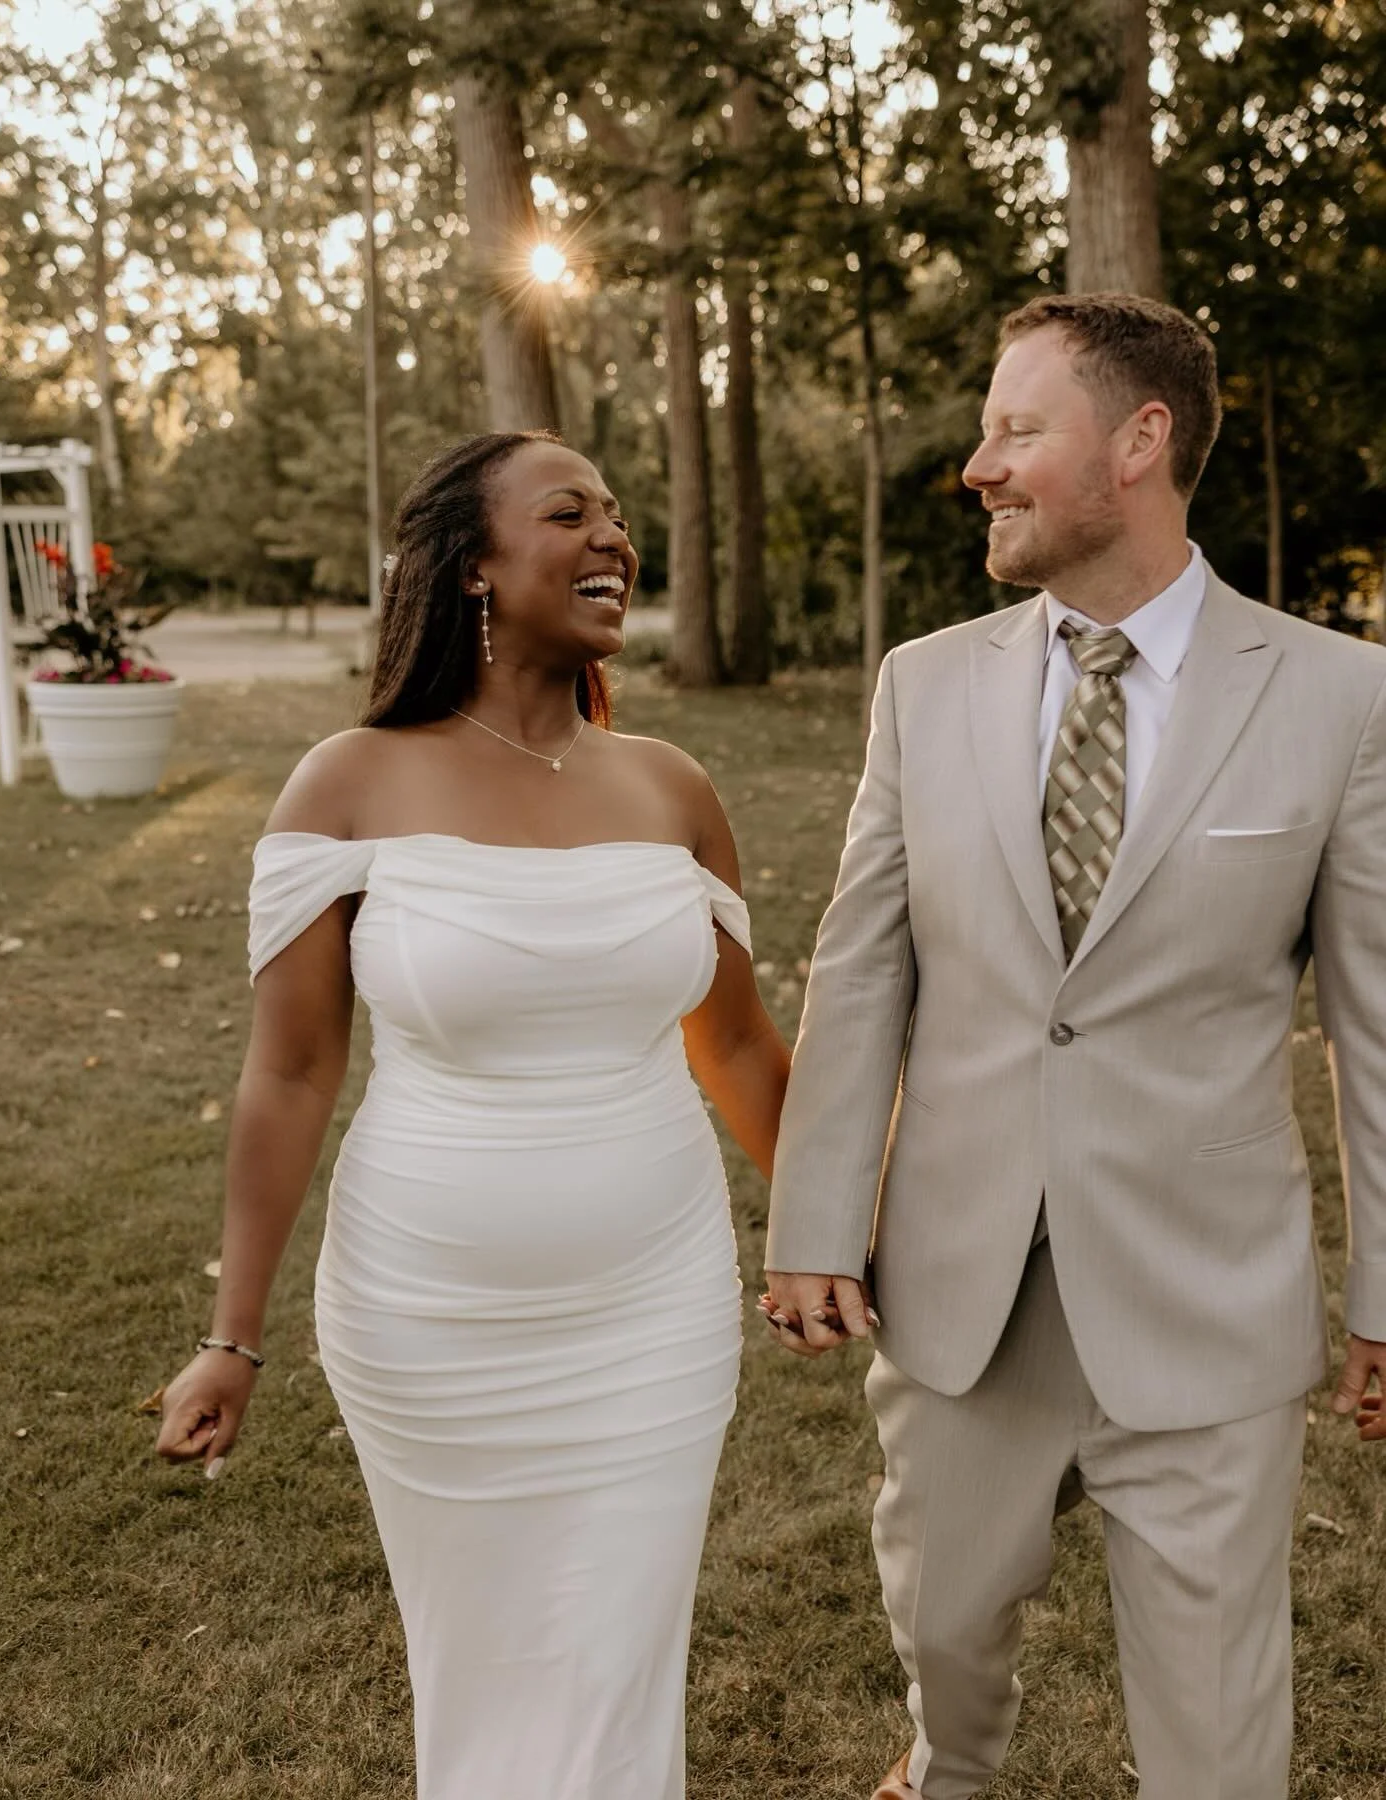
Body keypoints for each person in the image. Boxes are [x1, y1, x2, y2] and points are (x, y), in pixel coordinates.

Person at [761, 293, 1386, 1800]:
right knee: (947, 1632)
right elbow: (864, 967)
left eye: (1016, 430)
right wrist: (815, 1221)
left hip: (1205, 1294)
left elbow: (1376, 1024)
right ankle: (948, 1766)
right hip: (962, 1290)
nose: (979, 464)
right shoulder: (925, 685)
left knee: (1220, 1736)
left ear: (1140, 440)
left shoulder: (1340, 695)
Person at [155, 430, 792, 1800]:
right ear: (472, 569)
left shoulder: (673, 789)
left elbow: (737, 1043)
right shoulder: (347, 783)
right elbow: (290, 1073)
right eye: (570, 513)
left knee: (618, 1673)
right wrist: (232, 1338)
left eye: (619, 513)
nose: (614, 537)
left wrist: (832, 1236)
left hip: (654, 1314)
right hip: (428, 1323)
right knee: (488, 1672)